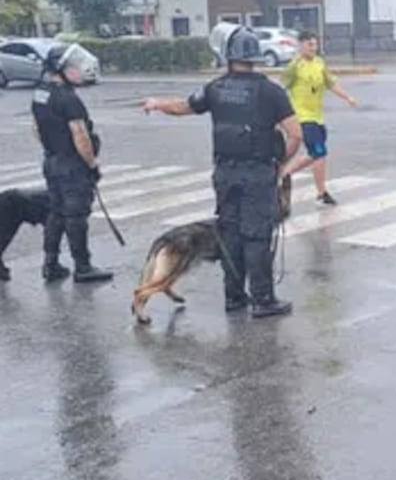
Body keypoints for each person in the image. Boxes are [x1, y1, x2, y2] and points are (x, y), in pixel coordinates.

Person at [141, 23, 302, 318]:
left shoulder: (215, 88)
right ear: (254, 57)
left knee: (231, 234)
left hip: (225, 175)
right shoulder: (270, 92)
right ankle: (264, 300)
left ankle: (234, 297)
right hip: (257, 174)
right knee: (256, 236)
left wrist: (157, 103)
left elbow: (184, 106)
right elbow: (295, 135)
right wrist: (278, 165)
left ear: (228, 56)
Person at [31, 45, 113, 283]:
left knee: (56, 213)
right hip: (71, 166)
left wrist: (53, 148)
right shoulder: (68, 98)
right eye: (74, 67)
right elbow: (80, 135)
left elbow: (36, 128)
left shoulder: (41, 93)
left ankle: (51, 263)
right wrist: (91, 164)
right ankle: (83, 267)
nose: (79, 71)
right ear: (62, 69)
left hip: (52, 161)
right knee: (76, 216)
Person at [279, 30, 358, 206]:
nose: (313, 48)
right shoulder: (294, 66)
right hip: (302, 118)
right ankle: (321, 194)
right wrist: (279, 116)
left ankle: (283, 174)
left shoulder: (319, 63)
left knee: (314, 154)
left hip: (318, 118)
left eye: (315, 44)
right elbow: (280, 89)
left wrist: (347, 97)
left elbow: (331, 84)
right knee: (319, 153)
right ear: (300, 45)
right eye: (309, 44)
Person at [0, 188, 50, 281]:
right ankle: (52, 265)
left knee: (4, 235)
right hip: (14, 203)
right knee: (5, 235)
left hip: (14, 200)